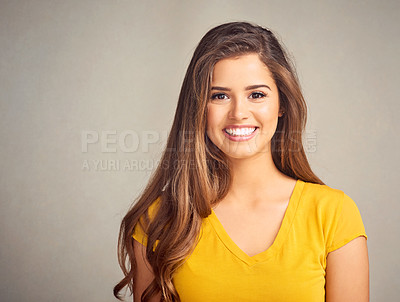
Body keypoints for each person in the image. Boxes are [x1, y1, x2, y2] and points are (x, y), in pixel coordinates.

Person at [114, 21, 369, 302]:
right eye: (220, 96)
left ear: (281, 104)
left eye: (256, 95)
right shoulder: (160, 220)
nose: (239, 113)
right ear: (199, 108)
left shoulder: (333, 214)